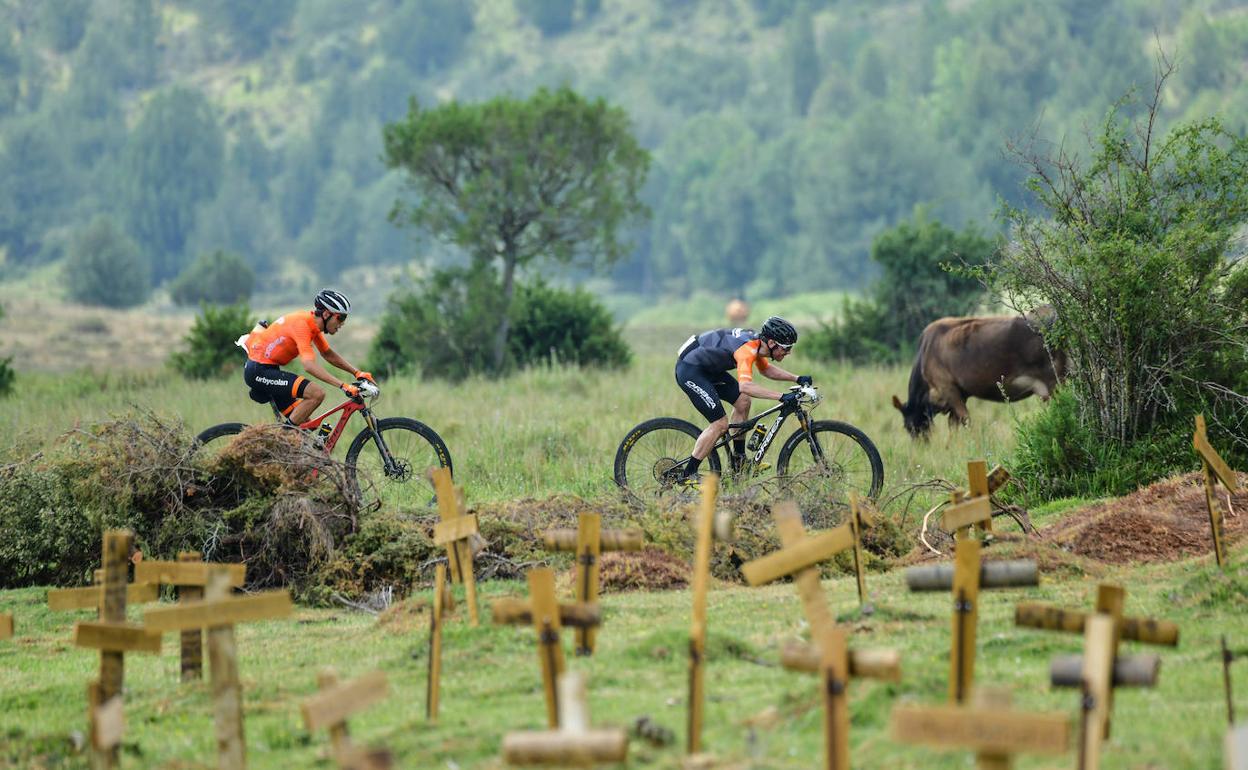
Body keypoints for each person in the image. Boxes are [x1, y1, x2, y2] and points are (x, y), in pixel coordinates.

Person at [674, 316, 812, 486]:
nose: (788, 352)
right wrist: (781, 397)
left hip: (708, 369)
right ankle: (688, 472)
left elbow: (766, 370)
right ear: (771, 343)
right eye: (786, 348)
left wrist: (796, 378)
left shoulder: (758, 344)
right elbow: (745, 386)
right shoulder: (747, 350)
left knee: (743, 402)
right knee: (720, 424)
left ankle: (739, 462)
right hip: (691, 370)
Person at [241, 289, 374, 424]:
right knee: (316, 394)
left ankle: (285, 440)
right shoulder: (302, 325)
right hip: (259, 371)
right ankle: (284, 435)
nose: (342, 323)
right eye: (340, 318)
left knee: (305, 424)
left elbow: (327, 353)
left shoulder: (313, 326)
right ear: (327, 314)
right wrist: (343, 386)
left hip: (268, 370)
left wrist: (357, 372)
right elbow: (309, 365)